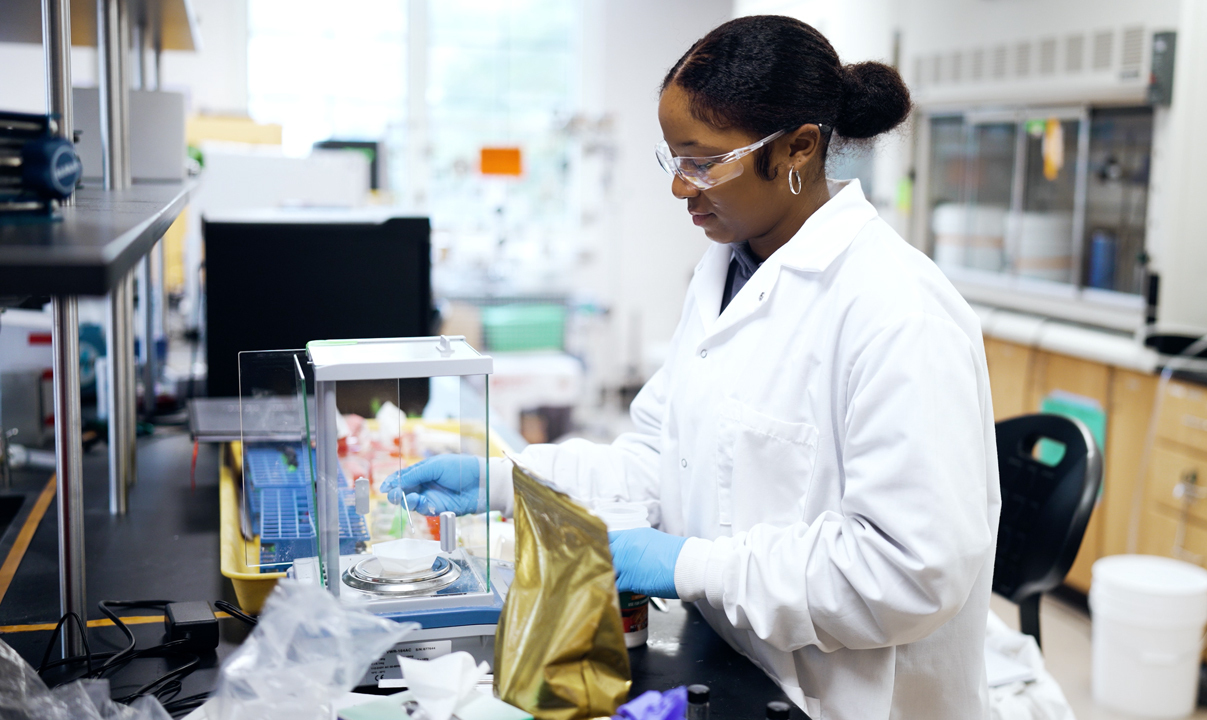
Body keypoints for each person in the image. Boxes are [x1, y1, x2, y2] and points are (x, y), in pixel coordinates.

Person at [384, 15, 1000, 720]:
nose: (682, 187)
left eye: (705, 162)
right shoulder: (727, 272)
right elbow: (657, 460)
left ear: (798, 148)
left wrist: (686, 564)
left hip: (839, 699)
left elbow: (908, 572)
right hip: (735, 666)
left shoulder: (897, 310)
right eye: (674, 158)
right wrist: (510, 480)